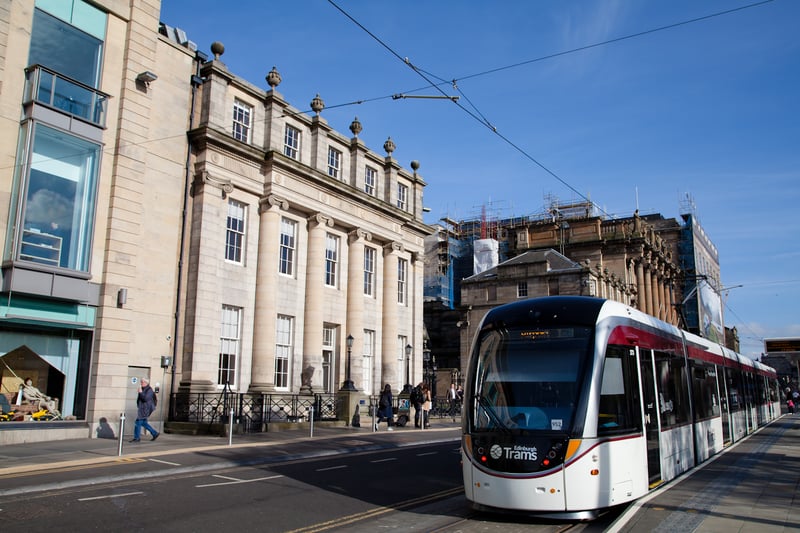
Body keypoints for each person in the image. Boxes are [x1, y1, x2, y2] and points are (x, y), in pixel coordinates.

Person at [131, 378, 159, 442]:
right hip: (142, 408)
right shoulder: (143, 389)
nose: (141, 383)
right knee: (144, 423)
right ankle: (154, 433)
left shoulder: (149, 390)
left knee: (138, 423)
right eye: (141, 382)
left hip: (145, 409)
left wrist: (140, 393)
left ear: (146, 383)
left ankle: (137, 438)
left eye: (142, 382)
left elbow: (145, 398)